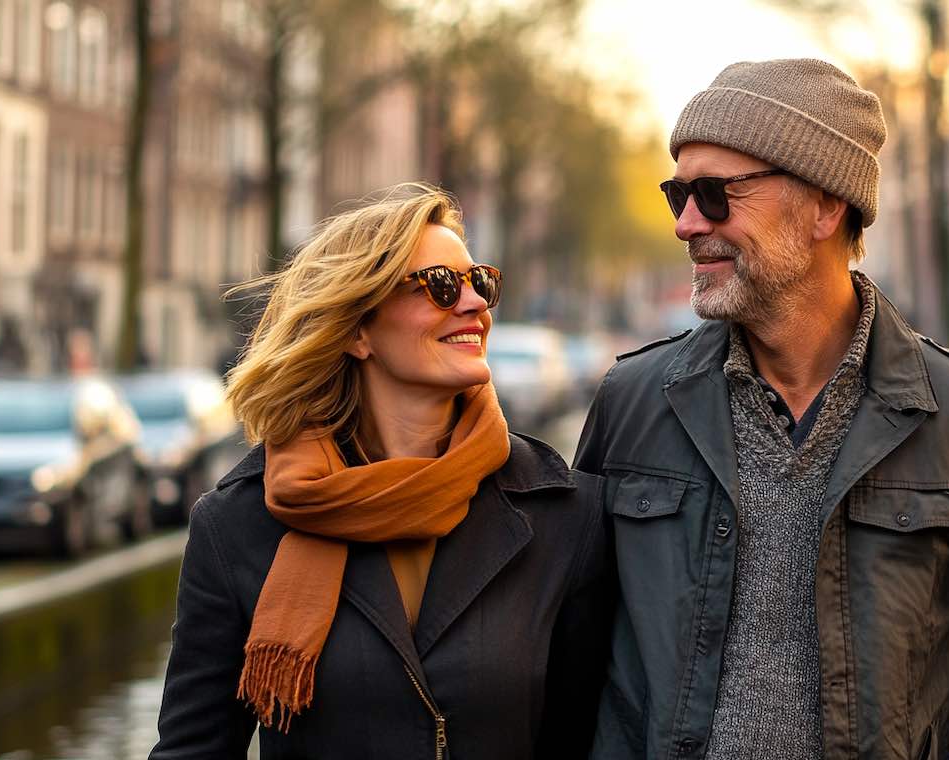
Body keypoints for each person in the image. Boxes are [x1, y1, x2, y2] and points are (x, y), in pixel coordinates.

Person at [576, 59, 949, 760]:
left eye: (716, 194)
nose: (686, 224)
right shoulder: (632, 403)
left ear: (825, 205)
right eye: (677, 195)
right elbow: (571, 657)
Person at [150, 184, 611, 759]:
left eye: (479, 282)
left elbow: (587, 741)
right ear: (356, 330)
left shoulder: (564, 516)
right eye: (441, 287)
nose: (474, 304)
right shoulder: (237, 525)